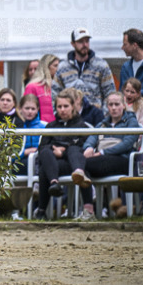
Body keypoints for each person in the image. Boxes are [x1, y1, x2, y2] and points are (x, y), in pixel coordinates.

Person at [32, 89, 88, 220]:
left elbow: (80, 150)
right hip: (50, 160)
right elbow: (42, 147)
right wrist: (53, 150)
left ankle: (41, 210)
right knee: (45, 153)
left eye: (66, 106)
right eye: (59, 106)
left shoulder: (81, 126)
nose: (62, 110)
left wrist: (61, 153)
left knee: (44, 169)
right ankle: (54, 183)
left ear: (73, 106)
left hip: (70, 165)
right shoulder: (51, 126)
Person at [79, 93, 140, 207]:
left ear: (123, 105)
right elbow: (91, 138)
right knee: (82, 169)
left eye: (117, 104)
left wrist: (103, 152)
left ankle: (96, 204)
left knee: (81, 165)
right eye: (110, 104)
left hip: (123, 159)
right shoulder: (102, 124)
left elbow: (127, 144)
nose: (113, 108)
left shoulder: (131, 122)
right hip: (101, 161)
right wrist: (89, 148)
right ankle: (90, 207)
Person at [52, 28, 115, 109]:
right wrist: (58, 114)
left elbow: (110, 92)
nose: (85, 44)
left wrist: (104, 116)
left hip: (95, 116)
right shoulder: (62, 67)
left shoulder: (101, 65)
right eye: (81, 42)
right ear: (73, 44)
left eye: (87, 41)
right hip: (70, 117)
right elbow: (54, 94)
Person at [16, 94, 46, 176]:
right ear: (20, 108)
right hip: (21, 161)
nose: (30, 111)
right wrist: (24, 152)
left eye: (33, 109)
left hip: (39, 160)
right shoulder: (16, 126)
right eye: (27, 108)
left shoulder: (44, 126)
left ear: (37, 109)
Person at [24, 53, 59, 123]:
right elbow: (27, 109)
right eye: (55, 66)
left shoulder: (58, 86)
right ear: (47, 67)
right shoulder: (32, 87)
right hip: (40, 128)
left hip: (57, 127)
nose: (58, 68)